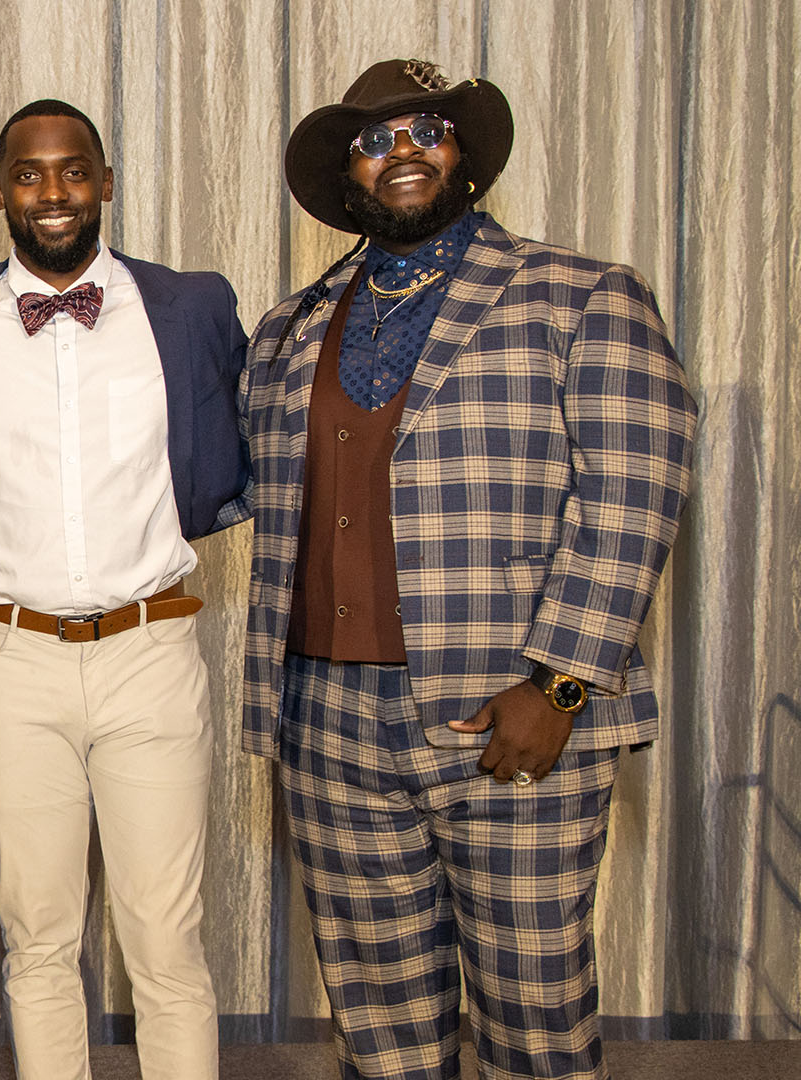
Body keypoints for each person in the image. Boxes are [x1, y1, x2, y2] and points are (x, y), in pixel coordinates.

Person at [233, 59, 697, 1078]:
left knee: (534, 1022)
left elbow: (636, 494)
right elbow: (230, 482)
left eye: (425, 130)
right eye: (372, 140)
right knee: (381, 1029)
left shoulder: (579, 295)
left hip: (510, 714)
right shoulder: (289, 327)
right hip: (325, 722)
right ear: (346, 177)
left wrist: (561, 685)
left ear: (466, 157)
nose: (400, 152)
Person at [0, 100, 247, 1080]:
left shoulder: (187, 307)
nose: (52, 191)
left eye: (72, 169)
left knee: (166, 948)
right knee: (38, 940)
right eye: (29, 171)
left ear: (104, 180)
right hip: (11, 662)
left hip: (152, 652)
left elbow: (226, 461)